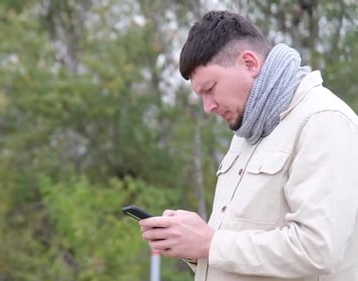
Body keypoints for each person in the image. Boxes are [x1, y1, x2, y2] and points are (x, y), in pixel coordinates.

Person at [138, 10, 358, 281]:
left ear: (249, 63)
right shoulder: (247, 131)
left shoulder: (322, 121)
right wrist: (190, 244)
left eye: (210, 88)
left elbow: (318, 250)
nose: (208, 107)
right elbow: (238, 255)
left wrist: (210, 243)